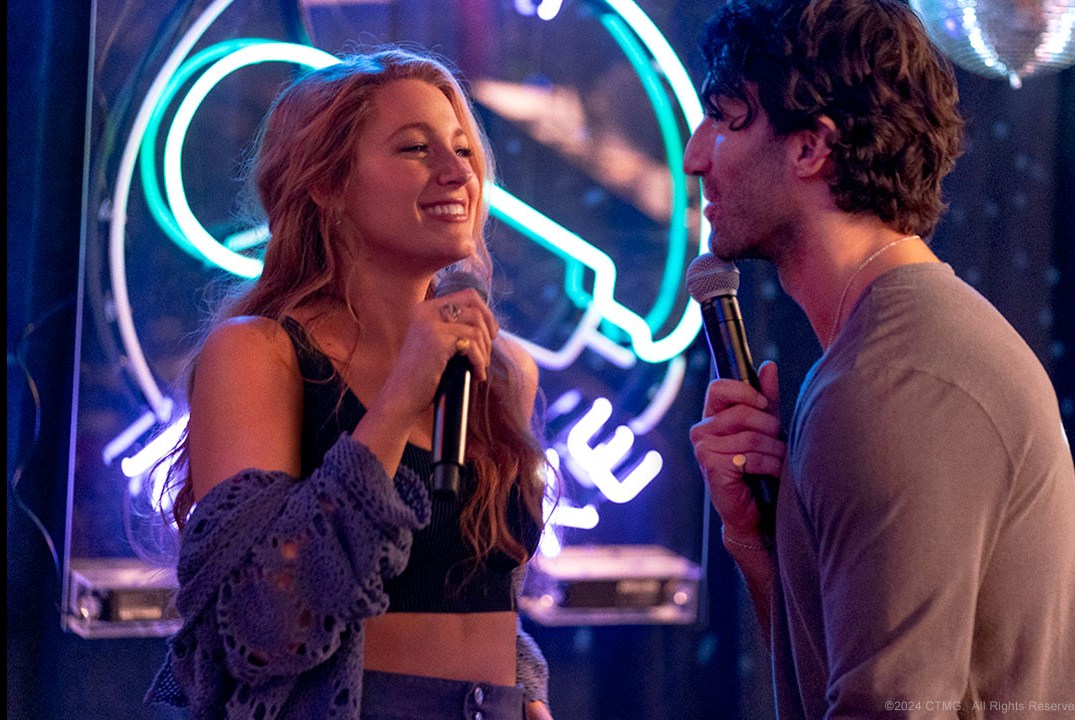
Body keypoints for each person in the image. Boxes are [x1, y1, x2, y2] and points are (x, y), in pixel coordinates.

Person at [685, 1, 1075, 718]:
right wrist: (758, 543)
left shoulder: (893, 383)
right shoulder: (886, 357)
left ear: (811, 148)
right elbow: (844, 679)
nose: (695, 155)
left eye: (725, 119)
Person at [145, 48, 556, 720]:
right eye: (415, 150)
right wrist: (398, 398)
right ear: (326, 184)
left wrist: (528, 697)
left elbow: (482, 597)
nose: (457, 173)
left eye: (462, 149)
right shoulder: (259, 353)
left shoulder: (503, 370)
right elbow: (260, 620)